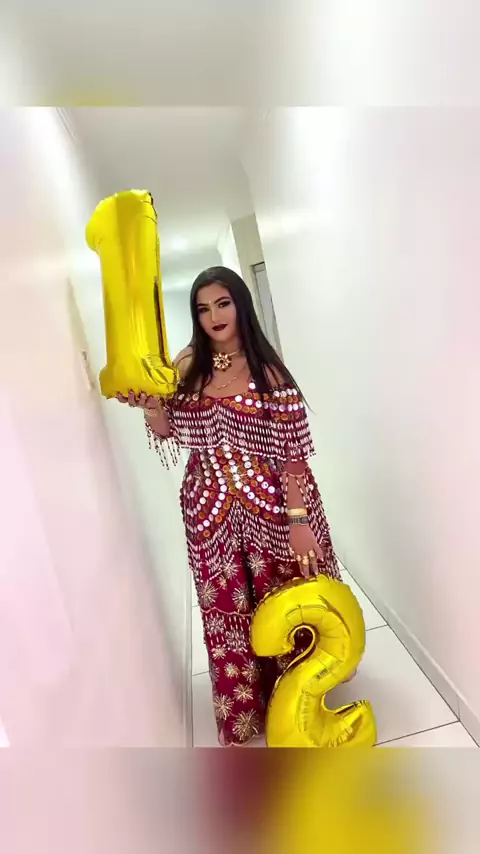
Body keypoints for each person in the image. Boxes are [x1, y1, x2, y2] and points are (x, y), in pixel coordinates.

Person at [118, 267, 342, 746]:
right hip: (209, 512)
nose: (214, 316)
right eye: (203, 308)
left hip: (274, 508)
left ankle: (297, 701)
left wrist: (299, 521)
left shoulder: (268, 371)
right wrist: (151, 406)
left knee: (283, 597)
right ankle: (245, 709)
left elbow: (293, 454)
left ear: (241, 305)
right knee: (226, 607)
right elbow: (168, 431)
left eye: (223, 303)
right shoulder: (185, 367)